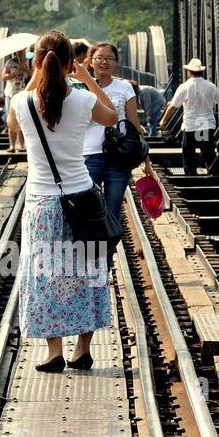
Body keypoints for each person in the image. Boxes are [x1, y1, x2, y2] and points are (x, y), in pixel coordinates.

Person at [9, 30, 119, 373]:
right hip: (82, 199)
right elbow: (113, 117)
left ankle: (54, 352)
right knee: (87, 271)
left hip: (42, 205)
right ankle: (83, 349)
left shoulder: (21, 103)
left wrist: (38, 75)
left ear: (37, 63)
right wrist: (86, 78)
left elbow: (14, 121)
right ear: (71, 63)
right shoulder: (84, 99)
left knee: (47, 275)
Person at [82, 42, 152, 270]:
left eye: (109, 59)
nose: (104, 62)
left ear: (116, 63)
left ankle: (106, 264)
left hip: (118, 159)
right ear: (90, 61)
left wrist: (146, 159)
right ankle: (89, 261)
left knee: (112, 211)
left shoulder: (124, 88)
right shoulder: (78, 87)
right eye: (99, 58)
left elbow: (134, 126)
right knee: (90, 213)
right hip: (88, 156)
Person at [160, 58, 219, 175]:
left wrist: (163, 120)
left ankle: (191, 178)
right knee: (209, 155)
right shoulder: (211, 86)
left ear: (189, 72)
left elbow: (172, 106)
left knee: (189, 157)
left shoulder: (184, 87)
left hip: (191, 127)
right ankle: (213, 178)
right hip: (206, 126)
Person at [2, 51, 30, 153]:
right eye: (19, 52)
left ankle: (22, 145)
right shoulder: (10, 62)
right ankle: (12, 145)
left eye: (22, 51)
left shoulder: (28, 62)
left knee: (23, 119)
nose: (20, 53)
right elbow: (3, 77)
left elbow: (33, 75)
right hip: (11, 93)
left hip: (22, 93)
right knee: (11, 120)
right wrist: (15, 73)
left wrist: (25, 68)